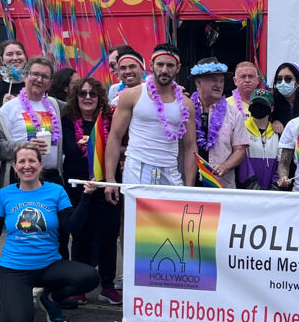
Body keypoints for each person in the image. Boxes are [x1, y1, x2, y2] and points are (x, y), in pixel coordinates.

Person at [0, 144, 99, 322]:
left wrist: (86, 198)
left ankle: (50, 298)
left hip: (49, 265)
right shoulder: (5, 194)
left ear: (40, 164)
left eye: (32, 160)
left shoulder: (56, 191)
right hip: (14, 269)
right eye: (21, 161)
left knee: (91, 277)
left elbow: (72, 227)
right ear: (14, 166)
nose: (27, 165)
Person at [103, 44, 197, 205]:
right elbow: (115, 137)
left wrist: (189, 187)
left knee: (171, 227)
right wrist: (110, 179)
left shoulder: (186, 104)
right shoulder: (132, 95)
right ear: (151, 65)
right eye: (160, 64)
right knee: (135, 226)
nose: (164, 70)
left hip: (170, 171)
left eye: (170, 65)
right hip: (138, 169)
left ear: (178, 68)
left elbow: (190, 146)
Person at [58, 77, 121, 306]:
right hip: (78, 187)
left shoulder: (110, 119)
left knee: (107, 236)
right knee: (81, 236)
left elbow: (121, 146)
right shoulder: (67, 120)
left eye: (92, 94)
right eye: (82, 93)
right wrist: (84, 144)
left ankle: (107, 286)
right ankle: (80, 287)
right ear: (76, 97)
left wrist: (97, 144)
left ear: (99, 97)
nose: (87, 98)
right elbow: (68, 149)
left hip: (106, 185)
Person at [0, 57, 65, 187]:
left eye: (44, 76)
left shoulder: (55, 105)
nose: (39, 79)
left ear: (50, 83)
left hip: (51, 178)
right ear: (25, 76)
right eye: (35, 74)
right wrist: (24, 146)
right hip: (20, 179)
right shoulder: (8, 109)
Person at [190, 57, 248, 188]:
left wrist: (225, 166)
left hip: (220, 185)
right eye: (213, 79)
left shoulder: (233, 113)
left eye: (221, 80)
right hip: (189, 184)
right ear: (198, 82)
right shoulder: (186, 109)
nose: (219, 84)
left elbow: (240, 149)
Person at [238, 89, 284, 190]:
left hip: (272, 194)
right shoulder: (241, 129)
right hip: (248, 191)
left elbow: (281, 163)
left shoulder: (278, 133)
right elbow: (242, 164)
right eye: (255, 102)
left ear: (271, 108)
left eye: (263, 103)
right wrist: (253, 188)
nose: (258, 106)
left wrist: (275, 187)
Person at [0, 40, 28, 115]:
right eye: (9, 54)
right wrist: (3, 109)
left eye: (19, 53)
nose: (15, 58)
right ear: (2, 60)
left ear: (25, 58)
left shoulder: (36, 89)